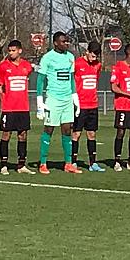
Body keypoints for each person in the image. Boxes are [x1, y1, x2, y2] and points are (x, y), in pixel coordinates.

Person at [36, 32, 80, 175]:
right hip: (53, 99)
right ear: (55, 43)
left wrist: (75, 97)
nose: (66, 44)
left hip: (67, 99)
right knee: (49, 129)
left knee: (67, 130)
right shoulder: (47, 58)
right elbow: (40, 80)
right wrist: (39, 101)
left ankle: (68, 163)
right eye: (63, 42)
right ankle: (43, 163)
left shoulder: (70, 57)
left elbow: (71, 78)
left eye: (67, 41)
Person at [0, 40, 35, 175]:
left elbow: (29, 73)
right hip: (9, 108)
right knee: (6, 134)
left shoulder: (26, 66)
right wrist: (3, 101)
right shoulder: (3, 66)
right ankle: (3, 164)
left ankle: (21, 164)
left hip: (23, 107)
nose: (11, 53)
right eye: (9, 50)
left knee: (23, 135)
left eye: (13, 50)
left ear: (20, 51)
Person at [72, 41, 105, 172]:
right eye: (93, 55)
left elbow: (96, 80)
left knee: (91, 134)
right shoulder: (77, 64)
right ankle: (73, 162)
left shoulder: (98, 65)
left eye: (97, 56)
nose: (94, 58)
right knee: (76, 134)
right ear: (87, 52)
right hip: (80, 105)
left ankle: (93, 163)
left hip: (93, 104)